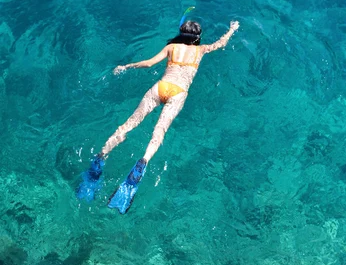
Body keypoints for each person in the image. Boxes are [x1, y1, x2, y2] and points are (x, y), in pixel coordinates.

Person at [77, 16, 240, 214]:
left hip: (160, 87)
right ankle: (143, 160)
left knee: (129, 124)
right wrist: (231, 29)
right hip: (178, 92)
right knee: (159, 131)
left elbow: (148, 63)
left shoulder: (171, 48)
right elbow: (220, 44)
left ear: (181, 34)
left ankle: (102, 155)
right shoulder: (201, 49)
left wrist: (126, 66)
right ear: (197, 38)